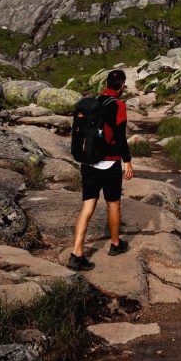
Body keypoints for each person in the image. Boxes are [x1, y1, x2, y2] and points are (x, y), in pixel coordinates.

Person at [67, 68, 134, 271]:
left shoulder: (95, 101)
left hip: (88, 162)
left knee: (88, 206)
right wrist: (127, 160)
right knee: (113, 204)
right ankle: (115, 244)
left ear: (106, 83)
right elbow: (120, 136)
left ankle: (77, 252)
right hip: (109, 162)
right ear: (122, 86)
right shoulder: (118, 105)